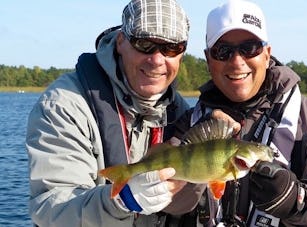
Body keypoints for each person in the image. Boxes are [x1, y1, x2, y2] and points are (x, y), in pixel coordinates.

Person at [172, 0, 307, 226]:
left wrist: (297, 202)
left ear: (266, 53)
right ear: (208, 59)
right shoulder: (190, 124)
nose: (237, 61)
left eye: (249, 47)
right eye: (223, 51)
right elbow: (166, 196)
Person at [25, 0, 205, 226]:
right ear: (121, 42)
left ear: (182, 53)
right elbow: (51, 210)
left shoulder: (180, 112)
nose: (157, 60)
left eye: (171, 48)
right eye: (144, 44)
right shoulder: (64, 105)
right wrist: (121, 201)